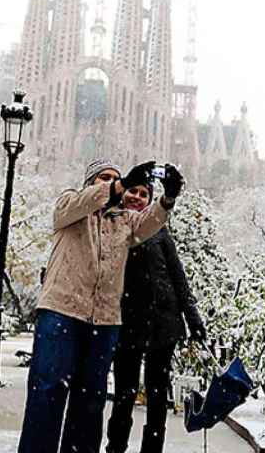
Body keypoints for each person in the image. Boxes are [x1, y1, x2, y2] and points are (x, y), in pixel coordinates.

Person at [17, 158, 185, 453]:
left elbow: (149, 222)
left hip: (104, 322)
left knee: (90, 402)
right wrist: (119, 183)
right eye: (103, 177)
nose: (111, 182)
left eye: (115, 178)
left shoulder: (123, 221)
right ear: (91, 181)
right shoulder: (71, 205)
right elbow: (70, 208)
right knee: (48, 392)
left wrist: (168, 198)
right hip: (62, 313)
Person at [105, 179, 206, 453]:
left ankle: (152, 449)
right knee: (124, 392)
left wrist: (192, 317)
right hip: (126, 321)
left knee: (158, 392)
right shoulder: (112, 226)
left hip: (163, 322)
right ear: (122, 194)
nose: (137, 197)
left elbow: (177, 276)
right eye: (133, 192)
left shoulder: (159, 231)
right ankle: (115, 446)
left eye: (144, 194)